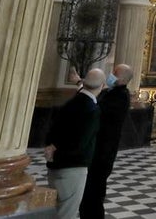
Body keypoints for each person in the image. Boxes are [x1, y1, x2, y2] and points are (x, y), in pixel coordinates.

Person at [45, 68, 106, 219]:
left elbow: (52, 129)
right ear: (103, 85)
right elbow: (80, 143)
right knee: (67, 213)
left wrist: (52, 151)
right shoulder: (92, 110)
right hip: (73, 167)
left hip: (55, 166)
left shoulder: (71, 102)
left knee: (56, 210)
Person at [80, 64, 134, 219]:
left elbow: (96, 107)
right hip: (96, 148)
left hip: (103, 152)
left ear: (122, 78)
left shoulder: (121, 96)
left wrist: (80, 85)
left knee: (94, 192)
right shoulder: (109, 92)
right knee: (88, 192)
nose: (111, 75)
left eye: (115, 73)